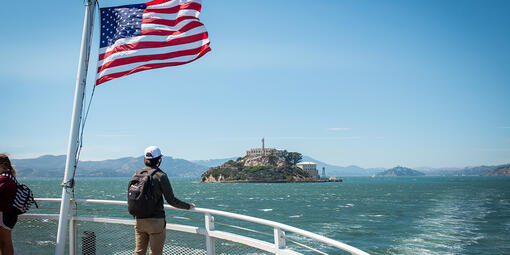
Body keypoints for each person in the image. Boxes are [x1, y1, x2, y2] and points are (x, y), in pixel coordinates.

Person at [133, 146, 195, 255]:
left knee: (139, 252)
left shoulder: (137, 174)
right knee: (156, 253)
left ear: (145, 159)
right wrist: (188, 206)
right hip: (155, 222)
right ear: (159, 159)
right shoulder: (160, 176)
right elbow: (171, 200)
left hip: (139, 220)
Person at [0, 154, 18, 255]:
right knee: (5, 242)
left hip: (4, 214)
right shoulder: (10, 177)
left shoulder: (4, 179)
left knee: (5, 242)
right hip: (9, 214)